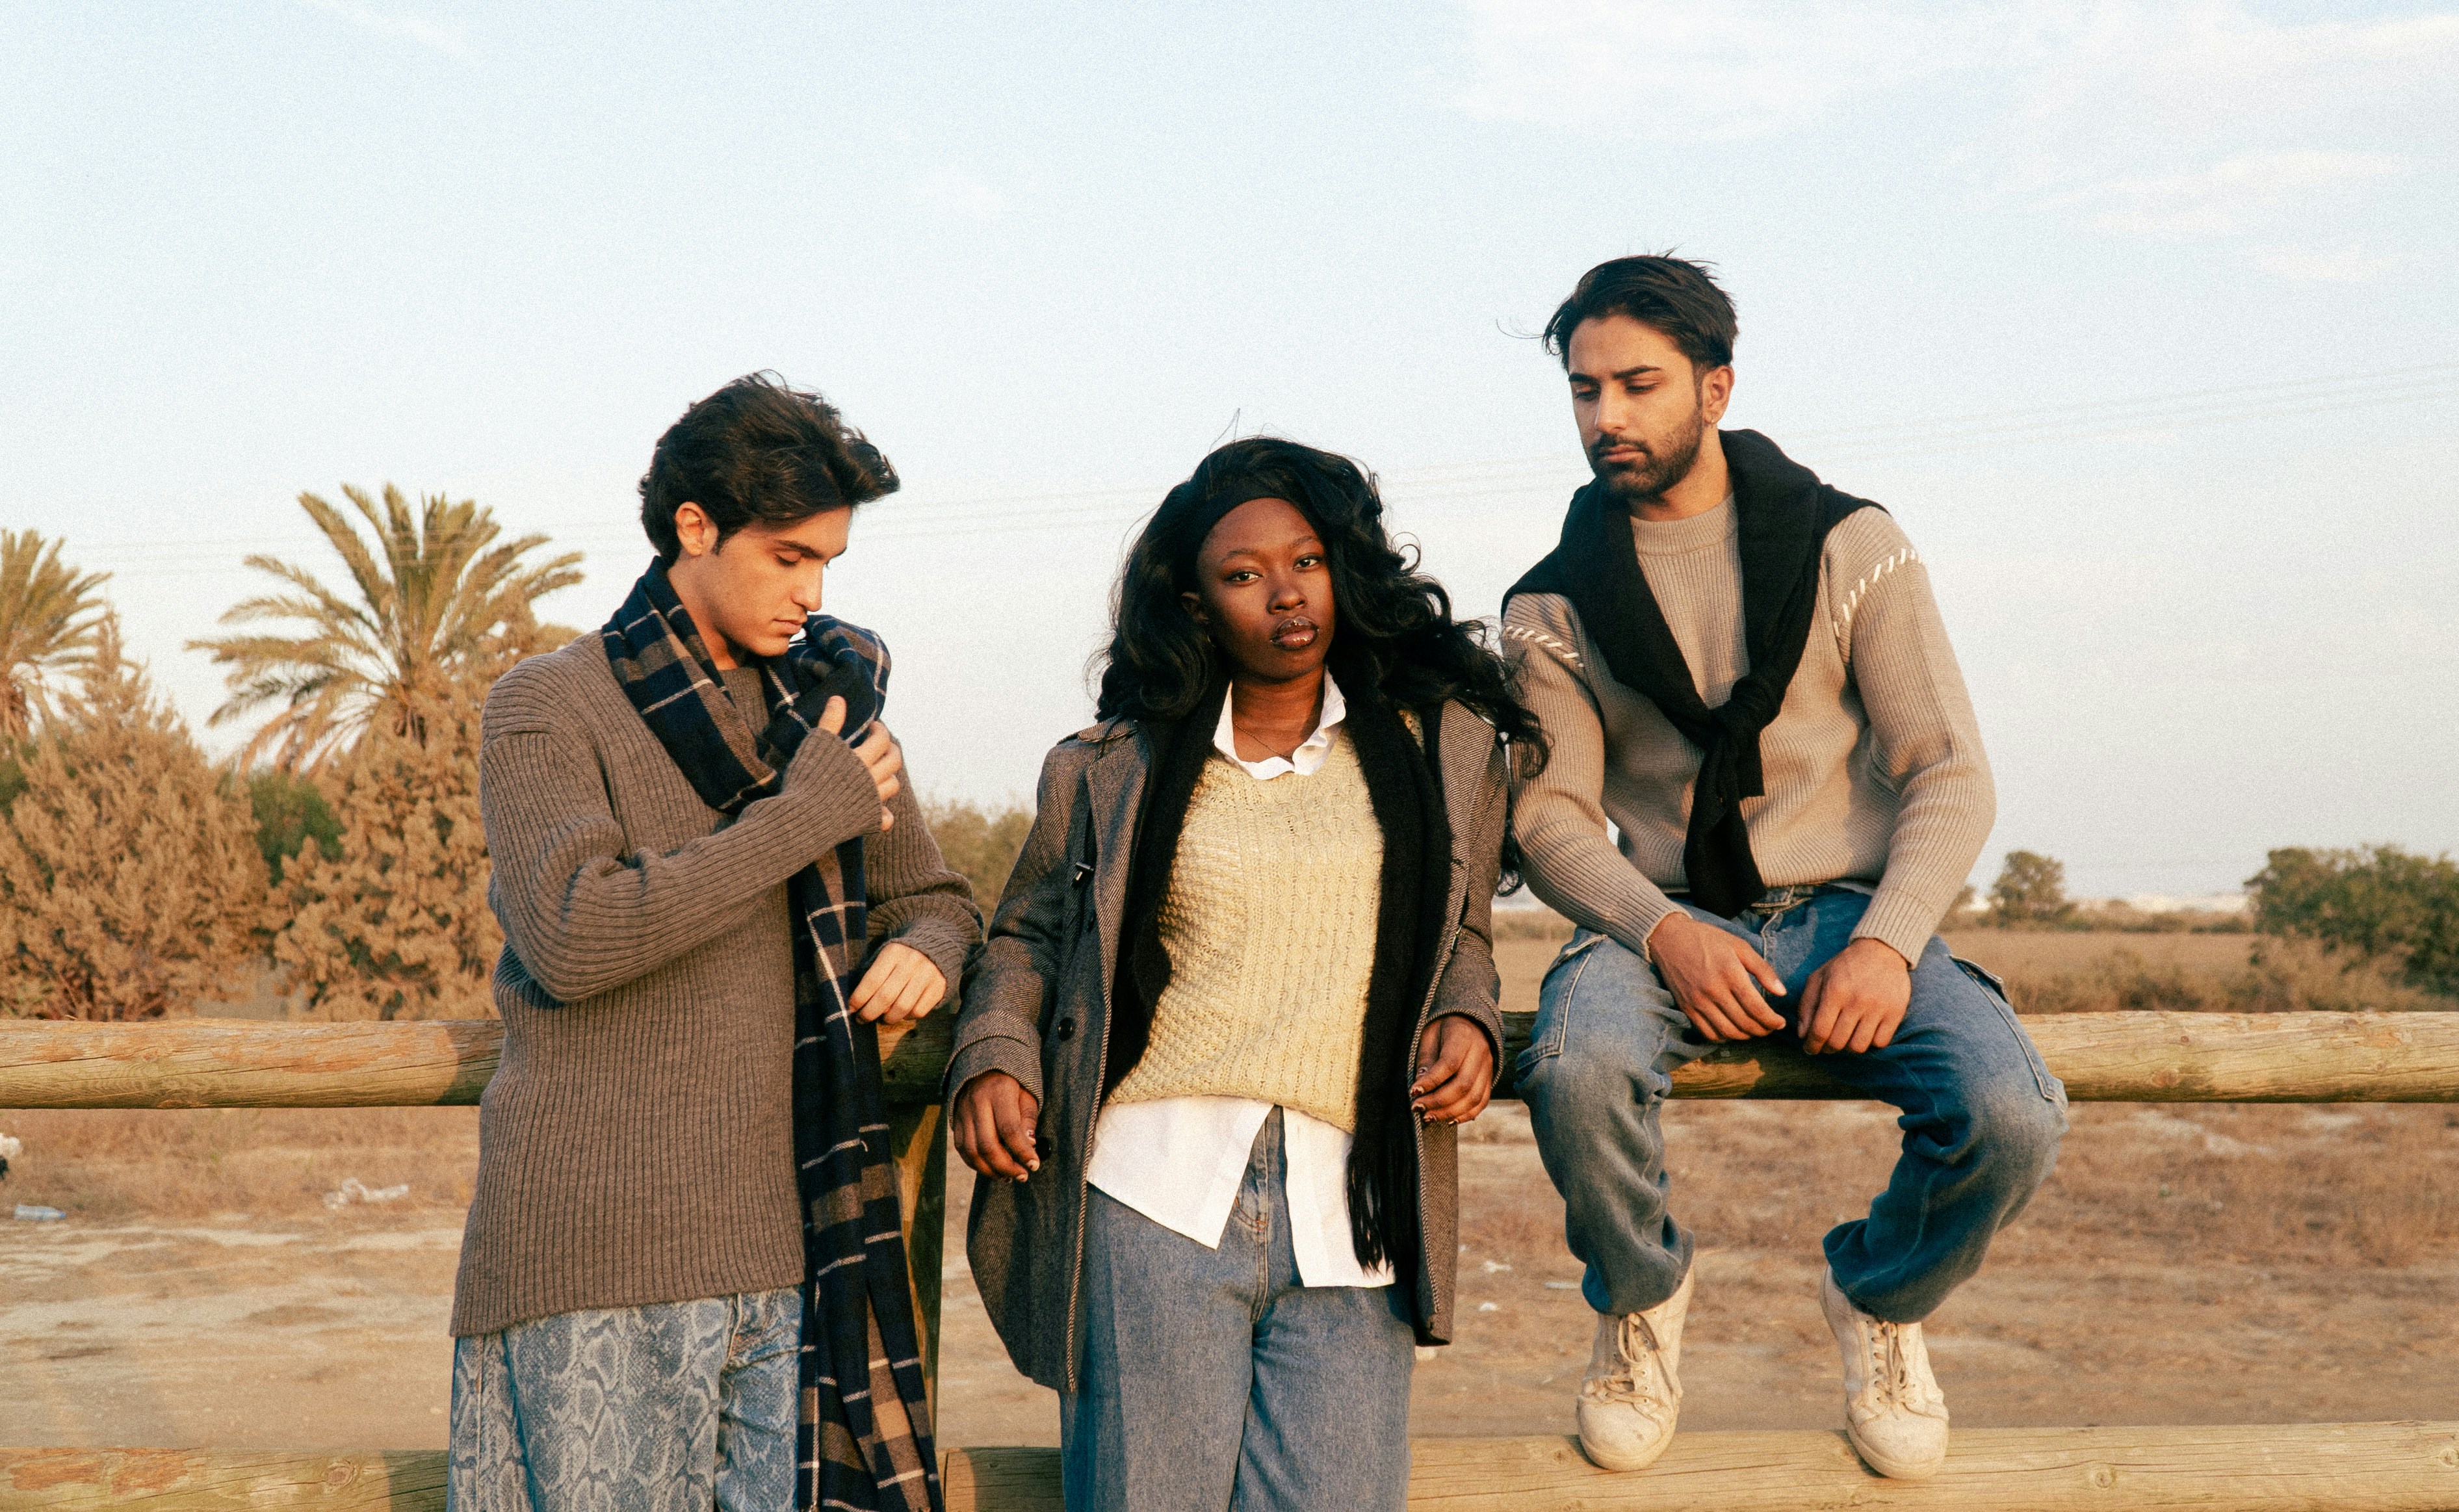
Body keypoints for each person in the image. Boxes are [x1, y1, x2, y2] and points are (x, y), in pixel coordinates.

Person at [1502, 257, 2066, 1480]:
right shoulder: (1553, 604)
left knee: (2012, 1110)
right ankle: (1642, 1298)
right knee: (1576, 1065)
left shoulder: (1850, 546)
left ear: (1716, 388)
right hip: (1663, 916)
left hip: (1851, 910)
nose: (1606, 416)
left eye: (1639, 384)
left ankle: (1880, 1297)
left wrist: (1887, 941)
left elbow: (1948, 769)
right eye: (1586, 390)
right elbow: (1549, 819)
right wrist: (1665, 932)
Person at [947, 437, 1544, 1511]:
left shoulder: (1439, 750)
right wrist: (994, 1053)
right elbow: (1028, 935)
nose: (1286, 593)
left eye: (1306, 561)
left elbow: (1461, 934)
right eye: (1243, 573)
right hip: (1153, 1191)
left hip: (1355, 1205)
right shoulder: (1109, 764)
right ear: (1196, 604)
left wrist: (1467, 1014)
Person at [449, 372, 980, 1512]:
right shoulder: (547, 703)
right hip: (593, 1261)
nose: (812, 591)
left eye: (828, 561)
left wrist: (932, 949)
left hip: (790, 1262)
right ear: (695, 526)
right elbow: (574, 932)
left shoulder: (824, 709)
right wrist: (802, 817)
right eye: (788, 556)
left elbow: (938, 896)